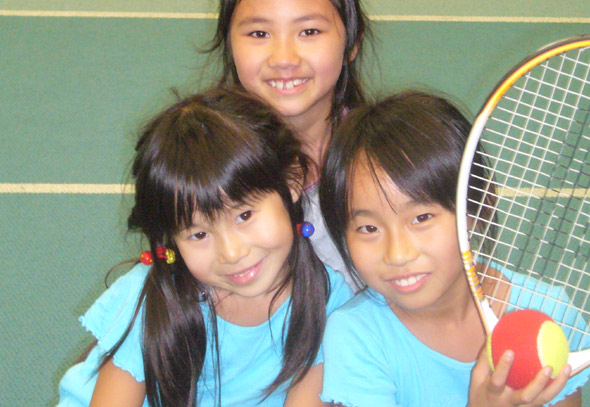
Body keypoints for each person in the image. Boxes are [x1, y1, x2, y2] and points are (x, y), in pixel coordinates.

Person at [56, 87, 352, 407]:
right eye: (198, 235)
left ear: (293, 180)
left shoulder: (327, 301)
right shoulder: (155, 297)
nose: (231, 253)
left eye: (244, 215)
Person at [318, 91, 589, 407]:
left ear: (473, 208)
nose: (398, 254)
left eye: (421, 217)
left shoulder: (551, 316)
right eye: (369, 228)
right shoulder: (358, 336)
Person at [205, 0, 371, 291]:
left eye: (309, 31)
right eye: (259, 34)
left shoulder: (391, 158)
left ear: (351, 44)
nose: (283, 59)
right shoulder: (202, 162)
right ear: (229, 42)